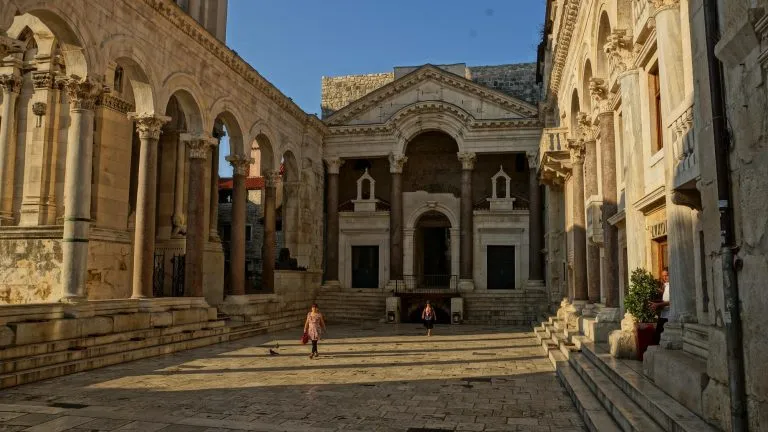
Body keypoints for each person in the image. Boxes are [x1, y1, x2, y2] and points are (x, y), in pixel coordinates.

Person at [651, 268, 670, 345]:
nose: (665, 278)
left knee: (658, 337)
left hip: (669, 316)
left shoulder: (672, 286)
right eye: (663, 276)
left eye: (666, 275)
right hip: (663, 314)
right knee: (657, 337)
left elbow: (672, 302)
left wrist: (658, 304)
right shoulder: (665, 286)